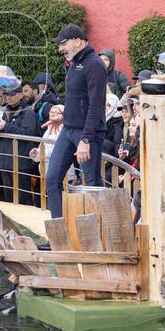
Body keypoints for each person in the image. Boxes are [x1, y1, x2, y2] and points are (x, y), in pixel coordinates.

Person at [45, 24, 107, 220]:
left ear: (78, 41)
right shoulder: (74, 63)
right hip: (68, 129)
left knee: (91, 185)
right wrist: (64, 116)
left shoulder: (94, 64)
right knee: (52, 178)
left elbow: (96, 106)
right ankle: (58, 233)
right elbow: (78, 99)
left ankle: (96, 237)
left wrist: (86, 140)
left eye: (63, 43)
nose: (60, 48)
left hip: (86, 134)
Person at [0, 83, 40, 205]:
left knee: (23, 199)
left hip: (20, 162)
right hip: (5, 160)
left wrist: (6, 126)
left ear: (20, 94)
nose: (8, 97)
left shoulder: (28, 112)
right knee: (8, 199)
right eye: (6, 95)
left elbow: (28, 134)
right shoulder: (7, 111)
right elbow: (0, 138)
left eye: (11, 95)